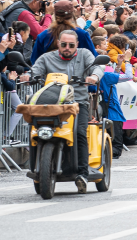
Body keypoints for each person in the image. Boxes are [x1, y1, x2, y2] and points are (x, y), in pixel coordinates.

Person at [26, 29, 102, 192]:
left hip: (77, 103)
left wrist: (94, 77)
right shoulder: (46, 58)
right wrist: (27, 77)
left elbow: (97, 67)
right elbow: (34, 71)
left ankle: (82, 173)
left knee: (80, 132)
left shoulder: (84, 54)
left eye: (71, 45)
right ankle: (36, 168)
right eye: (64, 44)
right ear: (58, 43)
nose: (67, 47)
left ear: (77, 45)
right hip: (50, 103)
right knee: (34, 131)